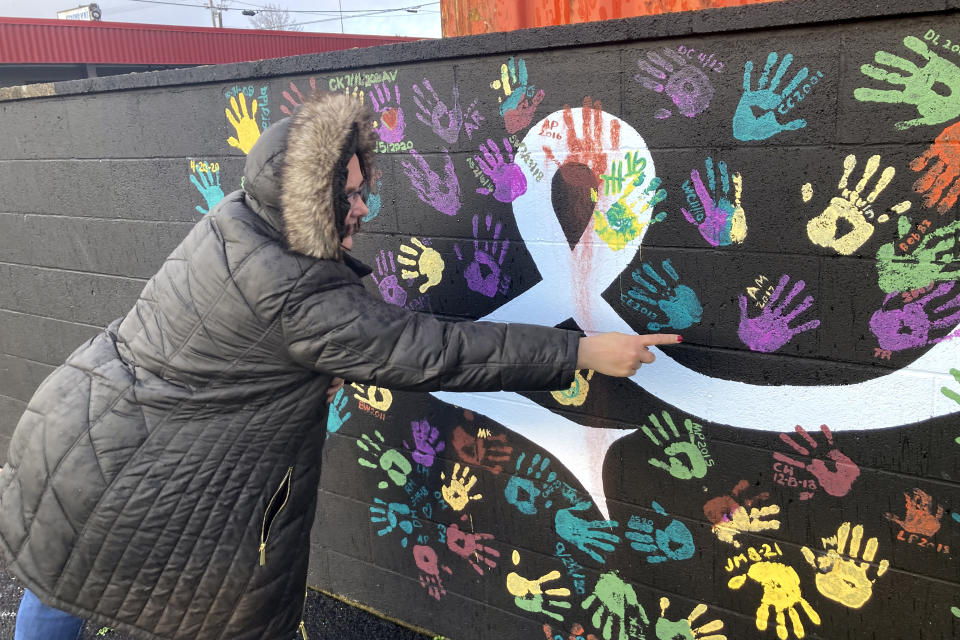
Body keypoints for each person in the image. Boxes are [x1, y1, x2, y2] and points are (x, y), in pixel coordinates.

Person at [0, 92, 680, 640]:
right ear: (302, 199)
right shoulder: (295, 288)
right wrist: (583, 350)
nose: (362, 207)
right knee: (127, 590)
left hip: (80, 424)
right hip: (138, 471)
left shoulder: (237, 220)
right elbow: (431, 351)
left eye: (361, 190)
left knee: (62, 574)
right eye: (346, 195)